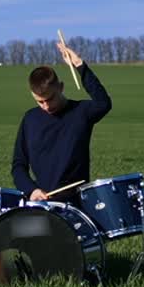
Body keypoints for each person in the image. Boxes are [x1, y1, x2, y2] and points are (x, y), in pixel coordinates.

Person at [11, 39, 112, 204]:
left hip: (76, 202)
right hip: (41, 202)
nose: (46, 106)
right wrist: (32, 190)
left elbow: (104, 103)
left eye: (50, 99)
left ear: (61, 87)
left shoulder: (81, 112)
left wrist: (79, 65)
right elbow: (18, 165)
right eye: (40, 101)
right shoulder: (30, 119)